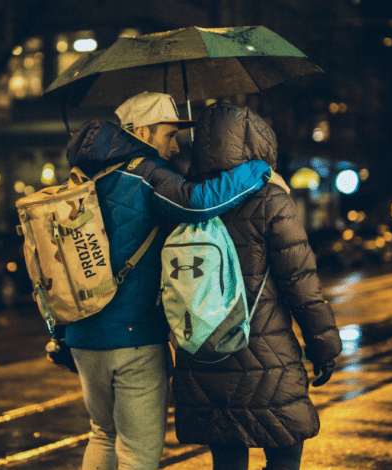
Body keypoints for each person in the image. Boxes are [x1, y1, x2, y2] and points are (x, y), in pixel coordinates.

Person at [60, 91, 280, 470]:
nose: (175, 145)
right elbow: (199, 203)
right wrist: (258, 170)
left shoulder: (84, 177)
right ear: (142, 131)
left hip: (82, 337)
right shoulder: (143, 174)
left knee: (103, 434)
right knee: (137, 454)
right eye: (168, 133)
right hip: (132, 338)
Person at [172, 102, 343, 470]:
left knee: (227, 459)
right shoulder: (271, 202)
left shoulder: (184, 203)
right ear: (257, 147)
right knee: (285, 452)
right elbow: (301, 284)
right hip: (267, 357)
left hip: (204, 354)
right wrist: (324, 346)